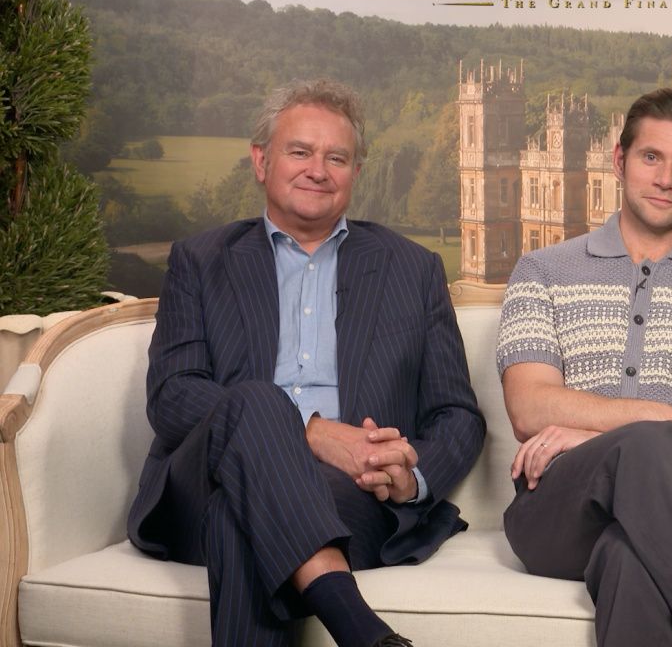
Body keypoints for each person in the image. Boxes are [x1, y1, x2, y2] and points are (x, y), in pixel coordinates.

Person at [126, 79, 485, 647]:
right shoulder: (201, 261)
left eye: (336, 158)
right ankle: (360, 628)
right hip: (203, 480)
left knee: (237, 521)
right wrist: (315, 434)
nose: (317, 170)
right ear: (261, 161)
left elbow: (457, 414)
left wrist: (409, 476)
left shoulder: (412, 269)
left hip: (349, 493)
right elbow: (173, 396)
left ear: (355, 173)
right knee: (258, 400)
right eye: (299, 151)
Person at [496, 87, 672, 646]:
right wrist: (660, 420)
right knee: (651, 440)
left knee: (632, 559)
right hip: (559, 509)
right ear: (619, 160)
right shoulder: (542, 271)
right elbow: (529, 406)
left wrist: (592, 431)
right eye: (651, 157)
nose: (665, 179)